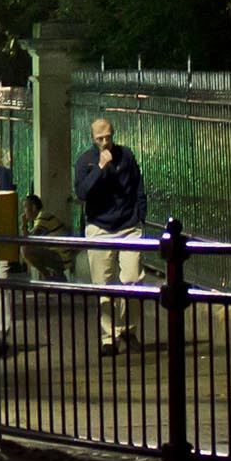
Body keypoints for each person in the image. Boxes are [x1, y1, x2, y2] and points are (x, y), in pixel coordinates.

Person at [74, 117, 149, 355]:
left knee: (133, 279)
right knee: (103, 286)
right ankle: (109, 337)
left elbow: (137, 185)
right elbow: (82, 192)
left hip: (128, 226)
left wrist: (141, 215)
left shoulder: (126, 156)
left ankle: (129, 330)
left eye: (108, 137)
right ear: (92, 138)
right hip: (100, 227)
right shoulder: (86, 161)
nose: (105, 142)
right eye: (100, 138)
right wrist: (100, 167)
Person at [20, 194, 71, 282]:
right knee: (25, 249)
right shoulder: (40, 218)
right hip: (57, 254)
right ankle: (53, 276)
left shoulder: (43, 216)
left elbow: (29, 241)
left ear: (33, 207)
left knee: (26, 250)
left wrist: (24, 225)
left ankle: (48, 277)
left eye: (25, 207)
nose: (24, 211)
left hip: (62, 257)